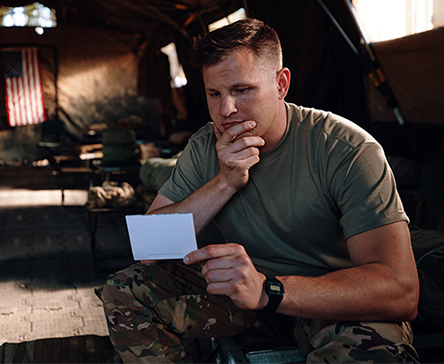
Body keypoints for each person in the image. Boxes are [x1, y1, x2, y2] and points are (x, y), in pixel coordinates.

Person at [98, 18, 420, 363]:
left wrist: (269, 290)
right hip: (240, 295)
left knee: (374, 353)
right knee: (125, 293)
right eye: (214, 94)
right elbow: (149, 249)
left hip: (328, 298)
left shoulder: (344, 149)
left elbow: (401, 290)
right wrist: (224, 181)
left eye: (242, 90)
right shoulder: (206, 145)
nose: (226, 111)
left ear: (281, 84)